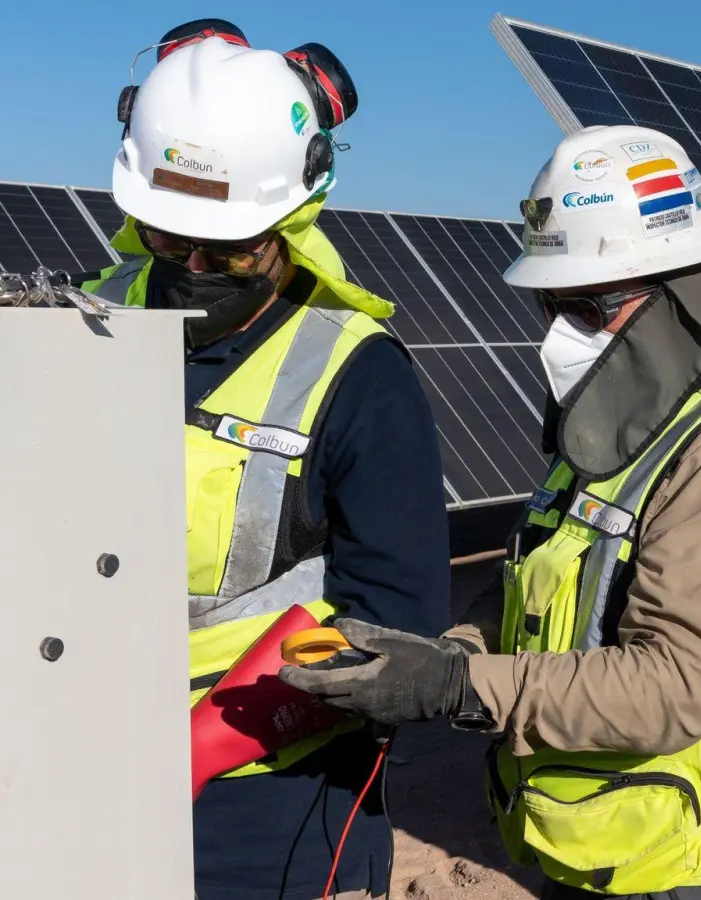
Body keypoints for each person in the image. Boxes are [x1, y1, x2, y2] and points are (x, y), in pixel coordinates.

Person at [281, 125, 701, 899]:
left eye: (585, 307)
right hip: (610, 851)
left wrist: (459, 687)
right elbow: (528, 583)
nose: (557, 332)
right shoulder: (620, 433)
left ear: (678, 295)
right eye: (552, 303)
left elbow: (676, 685)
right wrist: (433, 654)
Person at [82, 19, 449, 900]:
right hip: (76, 759)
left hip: (262, 806)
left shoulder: (357, 376)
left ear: (294, 216)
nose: (196, 266)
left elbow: (395, 621)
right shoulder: (81, 324)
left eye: (232, 247)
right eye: (170, 239)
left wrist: (201, 747)